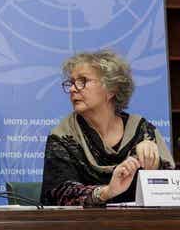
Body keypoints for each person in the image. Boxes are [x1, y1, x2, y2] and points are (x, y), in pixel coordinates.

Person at [41, 50, 174, 206]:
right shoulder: (63, 135)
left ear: (111, 89)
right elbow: (59, 193)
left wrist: (153, 164)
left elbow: (170, 192)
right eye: (71, 82)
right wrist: (106, 192)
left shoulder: (143, 131)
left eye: (82, 81)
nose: (72, 89)